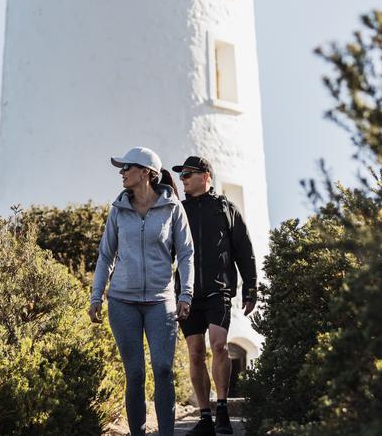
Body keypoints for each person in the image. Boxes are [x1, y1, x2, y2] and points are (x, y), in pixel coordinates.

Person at [89, 146, 194, 436]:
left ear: (146, 172)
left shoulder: (173, 208)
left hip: (162, 302)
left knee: (162, 369)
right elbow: (105, 255)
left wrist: (186, 293)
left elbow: (186, 253)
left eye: (127, 168)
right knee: (135, 374)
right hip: (123, 301)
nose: (121, 173)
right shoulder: (118, 209)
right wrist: (97, 295)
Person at [171, 156, 257, 436]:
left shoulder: (225, 208)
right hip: (186, 293)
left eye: (188, 174)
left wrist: (251, 286)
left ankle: (222, 409)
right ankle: (205, 416)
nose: (183, 178)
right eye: (181, 175)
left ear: (205, 176)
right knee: (195, 353)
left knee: (219, 345)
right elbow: (165, 252)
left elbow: (244, 249)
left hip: (218, 290)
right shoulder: (178, 211)